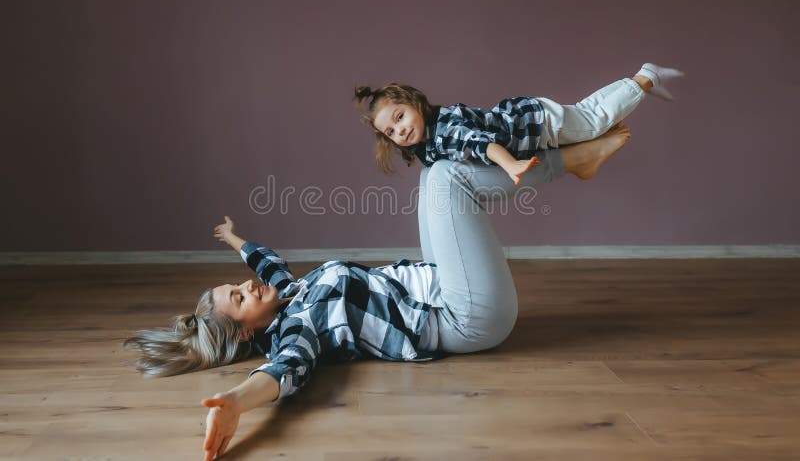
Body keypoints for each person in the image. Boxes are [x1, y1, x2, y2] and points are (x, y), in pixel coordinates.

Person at [123, 125, 631, 461]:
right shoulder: (299, 328)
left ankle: (566, 161)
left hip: (447, 281)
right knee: (448, 177)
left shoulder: (289, 292)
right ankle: (570, 162)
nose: (245, 288)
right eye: (238, 298)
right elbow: (285, 370)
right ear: (246, 331)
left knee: (434, 172)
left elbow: (267, 263)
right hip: (466, 315)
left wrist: (234, 240)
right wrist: (235, 401)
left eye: (235, 286)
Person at [354, 63, 682, 184]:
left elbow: (484, 145)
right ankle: (636, 83)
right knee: (587, 114)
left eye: (400, 117)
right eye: (391, 132)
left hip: (536, 124)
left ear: (415, 103)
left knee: (592, 118)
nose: (400, 131)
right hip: (529, 123)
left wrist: (510, 166)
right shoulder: (428, 141)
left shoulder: (446, 130)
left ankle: (645, 78)